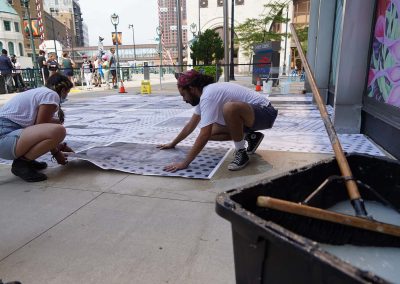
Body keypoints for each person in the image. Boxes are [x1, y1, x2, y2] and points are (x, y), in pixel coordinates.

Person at [158, 69, 278, 171]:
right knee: (212, 132)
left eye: (183, 95)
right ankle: (251, 136)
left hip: (266, 113)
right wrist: (173, 144)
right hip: (253, 117)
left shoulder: (208, 95)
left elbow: (203, 135)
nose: (184, 99)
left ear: (192, 89)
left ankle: (241, 152)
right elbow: (191, 125)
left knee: (229, 108)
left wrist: (184, 163)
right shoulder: (204, 95)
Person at [0, 73, 74, 182]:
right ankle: (22, 164)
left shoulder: (40, 92)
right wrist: (56, 152)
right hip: (4, 139)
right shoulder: (51, 95)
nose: (66, 96)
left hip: (7, 139)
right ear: (63, 90)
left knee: (55, 124)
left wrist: (59, 145)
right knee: (58, 130)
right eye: (67, 93)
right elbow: (41, 126)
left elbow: (37, 125)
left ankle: (28, 160)